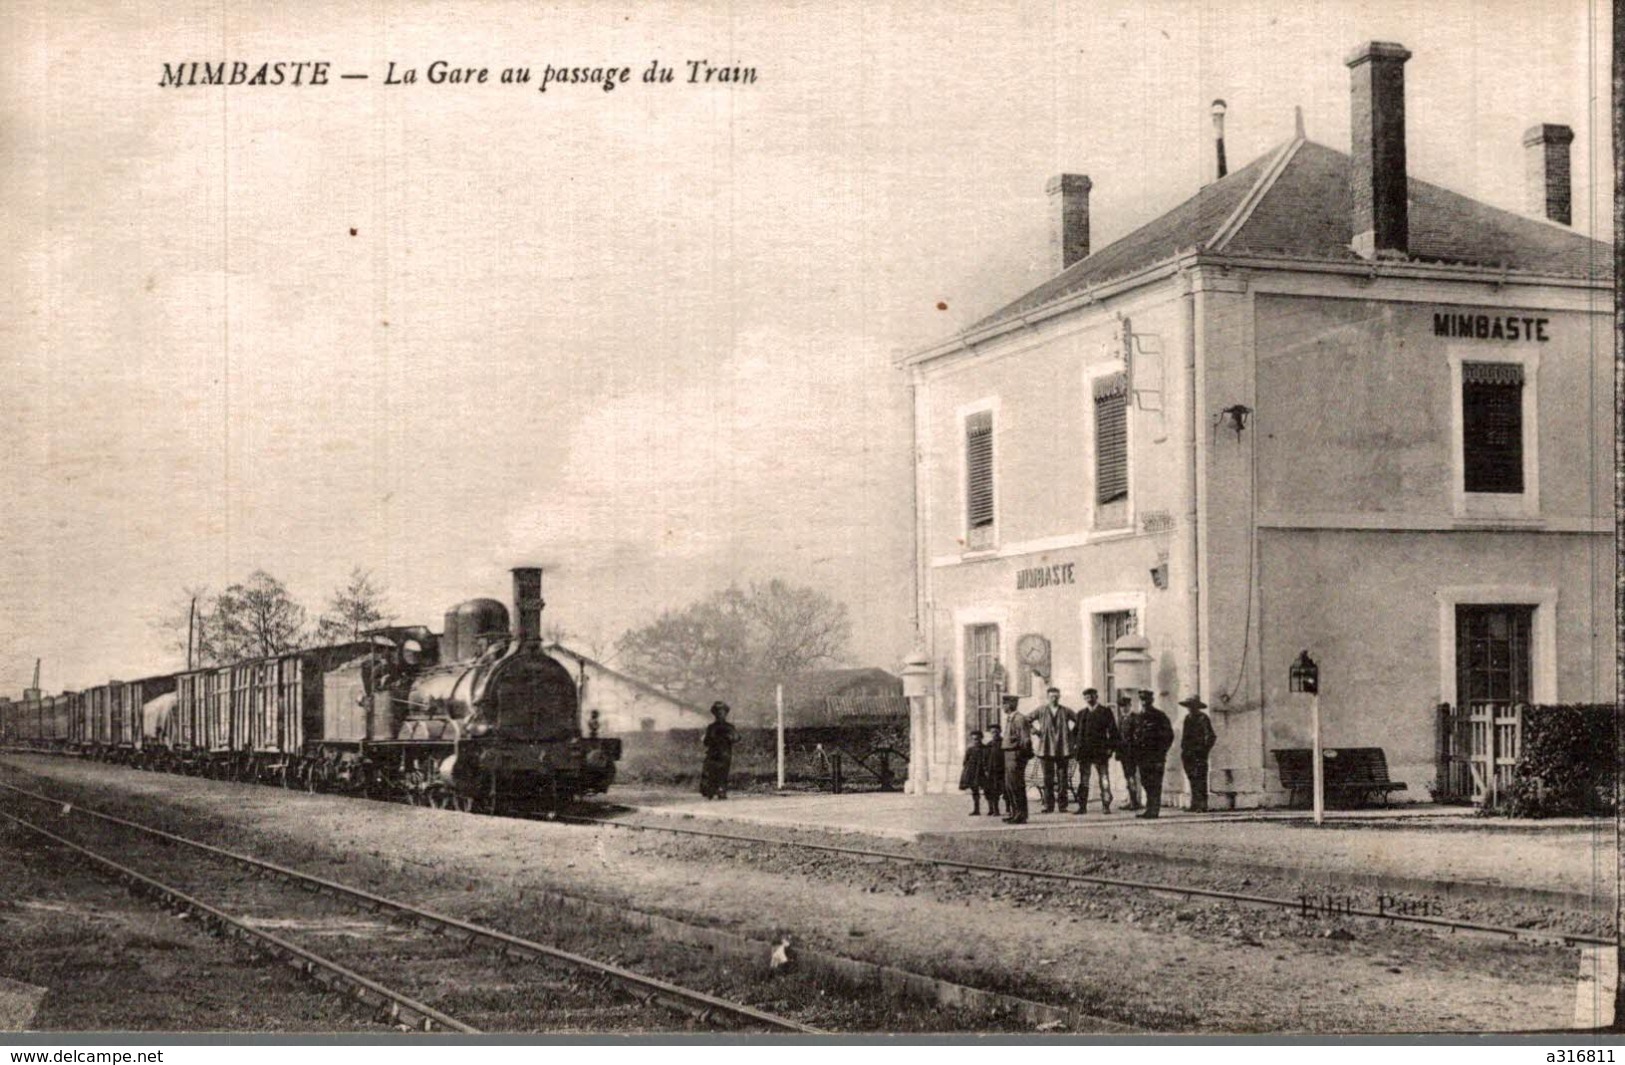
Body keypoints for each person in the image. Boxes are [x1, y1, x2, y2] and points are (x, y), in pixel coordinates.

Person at [1128, 689, 1176, 819]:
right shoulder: (1138, 717)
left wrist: (1161, 752)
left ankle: (1154, 810)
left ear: (1152, 700)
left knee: (1155, 783)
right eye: (1142, 700)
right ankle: (1149, 808)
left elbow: (1169, 736)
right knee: (1146, 782)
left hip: (1156, 757)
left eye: (1147, 700)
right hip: (1142, 757)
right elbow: (1133, 736)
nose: (1144, 702)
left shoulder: (1159, 716)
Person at [1073, 687, 1120, 814]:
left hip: (1100, 752)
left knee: (1104, 778)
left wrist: (1110, 748)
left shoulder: (1105, 712)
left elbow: (1113, 732)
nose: (1089, 699)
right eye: (1087, 697)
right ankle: (1082, 806)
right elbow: (1075, 733)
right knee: (1084, 780)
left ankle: (1106, 805)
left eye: (1092, 696)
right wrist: (1075, 747)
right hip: (1084, 753)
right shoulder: (1081, 713)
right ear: (1084, 699)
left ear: (1096, 696)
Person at [1031, 686, 1076, 813]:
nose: (1054, 698)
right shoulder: (1041, 710)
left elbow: (1080, 721)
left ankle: (1063, 806)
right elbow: (1026, 720)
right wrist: (1035, 731)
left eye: (1056, 696)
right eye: (1052, 696)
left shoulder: (1066, 711)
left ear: (1059, 697)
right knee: (1047, 779)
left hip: (1063, 749)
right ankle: (1048, 806)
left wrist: (1070, 735)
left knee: (1062, 779)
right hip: (1045, 749)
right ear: (1047, 697)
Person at [1179, 696, 1217, 813]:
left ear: (1197, 707)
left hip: (1199, 754)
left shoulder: (1203, 718)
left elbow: (1210, 736)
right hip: (1188, 754)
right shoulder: (1187, 718)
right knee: (1192, 778)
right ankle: (1194, 804)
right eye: (1188, 706)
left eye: (1192, 706)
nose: (1190, 709)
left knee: (1200, 778)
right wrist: (1184, 749)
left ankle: (1202, 805)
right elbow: (1185, 737)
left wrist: (1203, 750)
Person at [999, 695, 1032, 824]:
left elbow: (1026, 740)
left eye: (1005, 704)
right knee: (1010, 785)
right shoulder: (1010, 719)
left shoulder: (1019, 719)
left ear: (1011, 704)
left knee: (1016, 785)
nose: (1003, 707)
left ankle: (1021, 814)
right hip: (1009, 754)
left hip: (1016, 755)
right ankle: (1015, 812)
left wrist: (1021, 756)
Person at [699, 701, 739, 800]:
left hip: (723, 753)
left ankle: (719, 790)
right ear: (715, 714)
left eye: (722, 712)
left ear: (725, 714)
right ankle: (713, 790)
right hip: (716, 753)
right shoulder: (712, 727)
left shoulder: (728, 727)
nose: (720, 715)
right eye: (718, 712)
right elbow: (707, 741)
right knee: (712, 771)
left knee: (721, 771)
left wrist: (730, 737)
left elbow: (736, 737)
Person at [1113, 691, 1142, 811]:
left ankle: (1135, 801)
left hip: (1133, 752)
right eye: (1121, 707)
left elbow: (1137, 736)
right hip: (1124, 753)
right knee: (1128, 776)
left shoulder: (1135, 718)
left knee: (1131, 776)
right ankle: (1131, 800)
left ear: (1130, 706)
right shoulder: (1122, 720)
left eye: (1125, 706)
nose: (1123, 709)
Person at [958, 730, 989, 815]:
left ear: (981, 738)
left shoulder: (985, 749)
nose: (976, 741)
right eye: (974, 739)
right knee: (974, 791)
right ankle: (976, 809)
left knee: (987, 790)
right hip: (973, 772)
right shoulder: (970, 749)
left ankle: (992, 809)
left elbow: (988, 760)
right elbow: (965, 761)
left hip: (982, 771)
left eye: (978, 739)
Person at [981, 725, 1004, 819]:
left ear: (1000, 732)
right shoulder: (989, 745)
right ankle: (991, 809)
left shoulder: (1003, 743)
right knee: (989, 790)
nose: (994, 734)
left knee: (998, 790)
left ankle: (999, 809)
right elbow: (985, 758)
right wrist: (985, 769)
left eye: (996, 732)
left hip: (1001, 771)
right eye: (992, 732)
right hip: (990, 771)